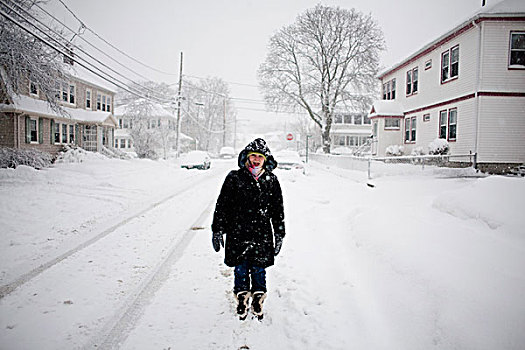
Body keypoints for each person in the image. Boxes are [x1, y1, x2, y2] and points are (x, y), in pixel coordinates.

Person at [211, 138, 285, 320]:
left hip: (262, 234)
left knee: (259, 268)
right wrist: (217, 229)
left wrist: (279, 233)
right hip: (238, 232)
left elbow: (278, 209)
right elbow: (223, 205)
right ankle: (242, 298)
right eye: (253, 155)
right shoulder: (234, 178)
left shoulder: (271, 180)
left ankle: (258, 298)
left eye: (260, 156)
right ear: (247, 157)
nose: (256, 160)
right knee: (241, 267)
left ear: (265, 159)